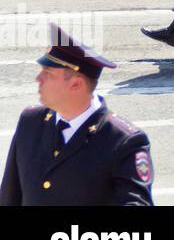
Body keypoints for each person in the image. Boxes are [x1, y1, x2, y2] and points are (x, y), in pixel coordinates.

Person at [1, 23, 153, 205]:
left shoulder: (123, 141)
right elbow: (10, 196)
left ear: (76, 84)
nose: (38, 79)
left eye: (47, 73)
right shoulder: (31, 122)